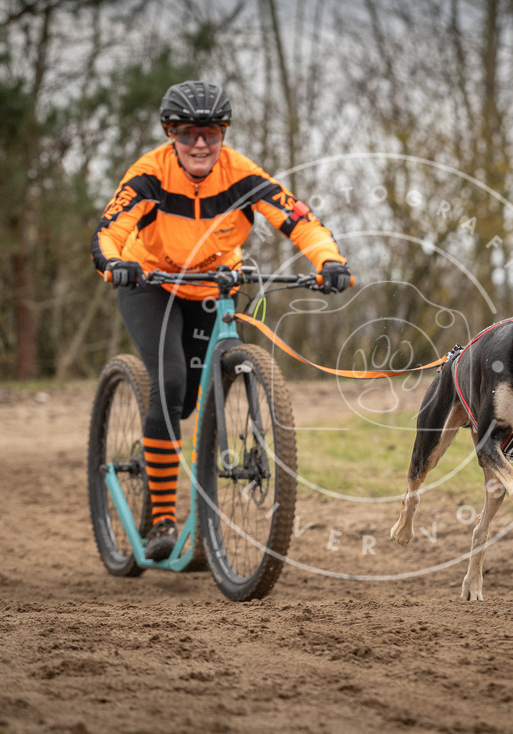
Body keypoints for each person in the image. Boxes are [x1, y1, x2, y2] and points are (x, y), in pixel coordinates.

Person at [91, 80, 351, 561]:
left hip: (214, 285)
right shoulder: (150, 174)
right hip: (150, 282)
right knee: (169, 384)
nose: (199, 144)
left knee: (197, 394)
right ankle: (163, 519)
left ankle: (204, 502)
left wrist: (328, 261)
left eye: (211, 132)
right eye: (187, 132)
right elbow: (111, 229)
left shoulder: (241, 175)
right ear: (170, 133)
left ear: (223, 133)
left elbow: (298, 218)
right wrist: (114, 262)